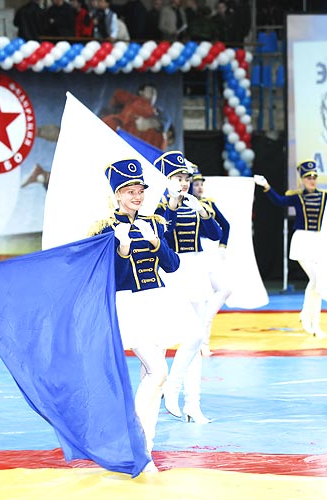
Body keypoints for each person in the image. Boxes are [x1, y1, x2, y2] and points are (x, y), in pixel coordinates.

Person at [87, 158, 181, 472]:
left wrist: (156, 242)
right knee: (159, 372)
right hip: (128, 305)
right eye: (129, 191)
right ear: (117, 194)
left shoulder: (154, 223)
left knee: (150, 378)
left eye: (140, 190)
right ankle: (132, 437)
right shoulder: (104, 229)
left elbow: (172, 265)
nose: (137, 196)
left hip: (157, 301)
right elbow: (107, 278)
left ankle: (145, 452)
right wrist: (122, 251)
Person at [154, 150, 222, 423]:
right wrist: (171, 206)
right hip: (172, 272)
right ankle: (167, 388)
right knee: (169, 338)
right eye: (177, 178)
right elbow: (163, 235)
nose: (183, 183)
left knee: (195, 341)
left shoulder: (195, 203)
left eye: (186, 178)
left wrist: (204, 214)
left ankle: (193, 404)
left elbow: (216, 234)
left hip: (196, 270)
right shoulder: (156, 206)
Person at [254, 159, 327, 338]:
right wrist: (266, 185)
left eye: (314, 177)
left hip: (319, 241)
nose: (312, 180)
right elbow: (279, 201)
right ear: (302, 180)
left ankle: (310, 319)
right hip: (302, 241)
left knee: (318, 283)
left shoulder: (325, 196)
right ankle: (311, 321)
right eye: (308, 177)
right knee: (316, 280)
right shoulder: (297, 197)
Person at [190, 164, 231, 356]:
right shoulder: (184, 204)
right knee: (198, 298)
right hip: (193, 252)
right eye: (196, 184)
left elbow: (226, 225)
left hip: (210, 251)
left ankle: (205, 329)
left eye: (201, 184)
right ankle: (200, 342)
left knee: (224, 289)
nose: (199, 187)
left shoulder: (209, 203)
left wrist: (222, 246)